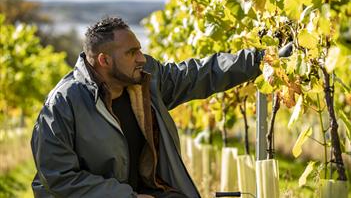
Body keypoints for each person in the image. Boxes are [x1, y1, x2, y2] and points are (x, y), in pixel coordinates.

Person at [30, 17, 292, 198]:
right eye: (132, 52)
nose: (141, 58)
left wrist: (261, 60)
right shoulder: (62, 104)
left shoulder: (146, 80)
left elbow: (200, 74)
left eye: (140, 50)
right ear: (104, 60)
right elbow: (59, 179)